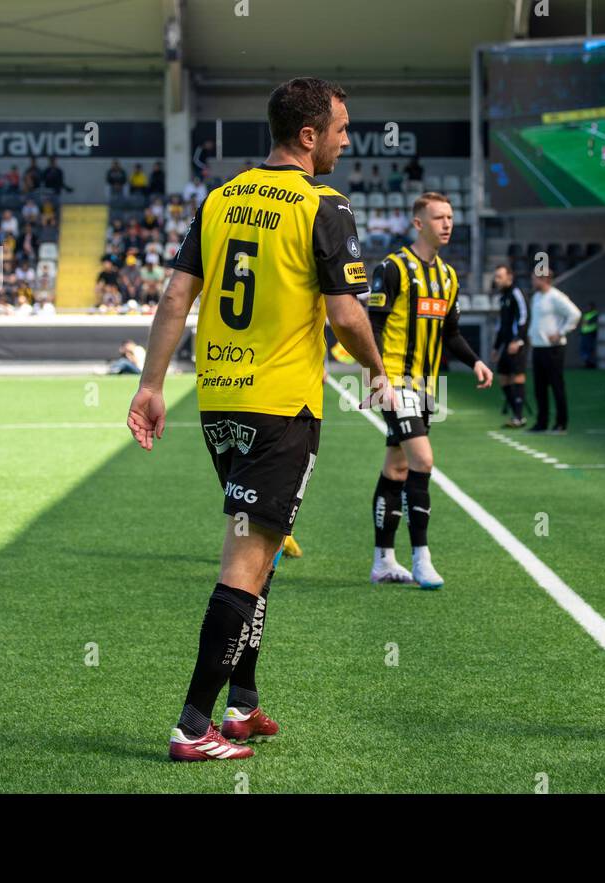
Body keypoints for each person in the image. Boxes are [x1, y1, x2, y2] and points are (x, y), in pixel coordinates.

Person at [127, 77, 389, 763]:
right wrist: (378, 369)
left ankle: (241, 704)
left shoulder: (220, 198)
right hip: (280, 409)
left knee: (260, 550)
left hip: (219, 404)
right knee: (246, 563)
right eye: (340, 127)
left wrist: (152, 384)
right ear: (308, 135)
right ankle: (192, 725)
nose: (345, 138)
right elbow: (345, 313)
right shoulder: (322, 205)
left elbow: (177, 293)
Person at [366, 192, 493, 588]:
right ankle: (422, 560)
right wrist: (376, 377)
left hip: (425, 387)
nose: (447, 224)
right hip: (395, 383)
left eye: (451, 217)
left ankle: (383, 561)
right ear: (418, 223)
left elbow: (450, 333)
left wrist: (474, 360)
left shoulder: (449, 277)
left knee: (397, 466)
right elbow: (373, 325)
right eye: (439, 217)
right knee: (422, 460)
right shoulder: (392, 268)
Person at [526, 270, 580, 434]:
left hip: (554, 349)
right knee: (539, 388)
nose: (532, 282)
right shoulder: (536, 298)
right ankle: (542, 422)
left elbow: (575, 314)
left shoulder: (556, 297)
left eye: (534, 279)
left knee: (556, 386)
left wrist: (561, 332)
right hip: (538, 347)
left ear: (544, 280)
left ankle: (561, 423)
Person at [491, 263, 528, 428]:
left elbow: (524, 317)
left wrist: (518, 340)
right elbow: (501, 324)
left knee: (518, 376)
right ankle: (516, 414)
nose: (497, 280)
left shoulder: (515, 293)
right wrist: (495, 347)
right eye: (496, 276)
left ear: (509, 277)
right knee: (503, 378)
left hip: (515, 343)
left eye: (500, 276)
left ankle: (519, 416)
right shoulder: (503, 297)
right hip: (506, 344)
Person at [579, 301, 599, 369]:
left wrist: (585, 322)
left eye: (589, 307)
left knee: (589, 349)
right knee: (584, 349)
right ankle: (587, 363)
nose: (588, 308)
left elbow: (587, 322)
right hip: (584, 334)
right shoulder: (587, 314)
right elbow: (583, 323)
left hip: (590, 334)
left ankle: (591, 363)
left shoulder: (595, 314)